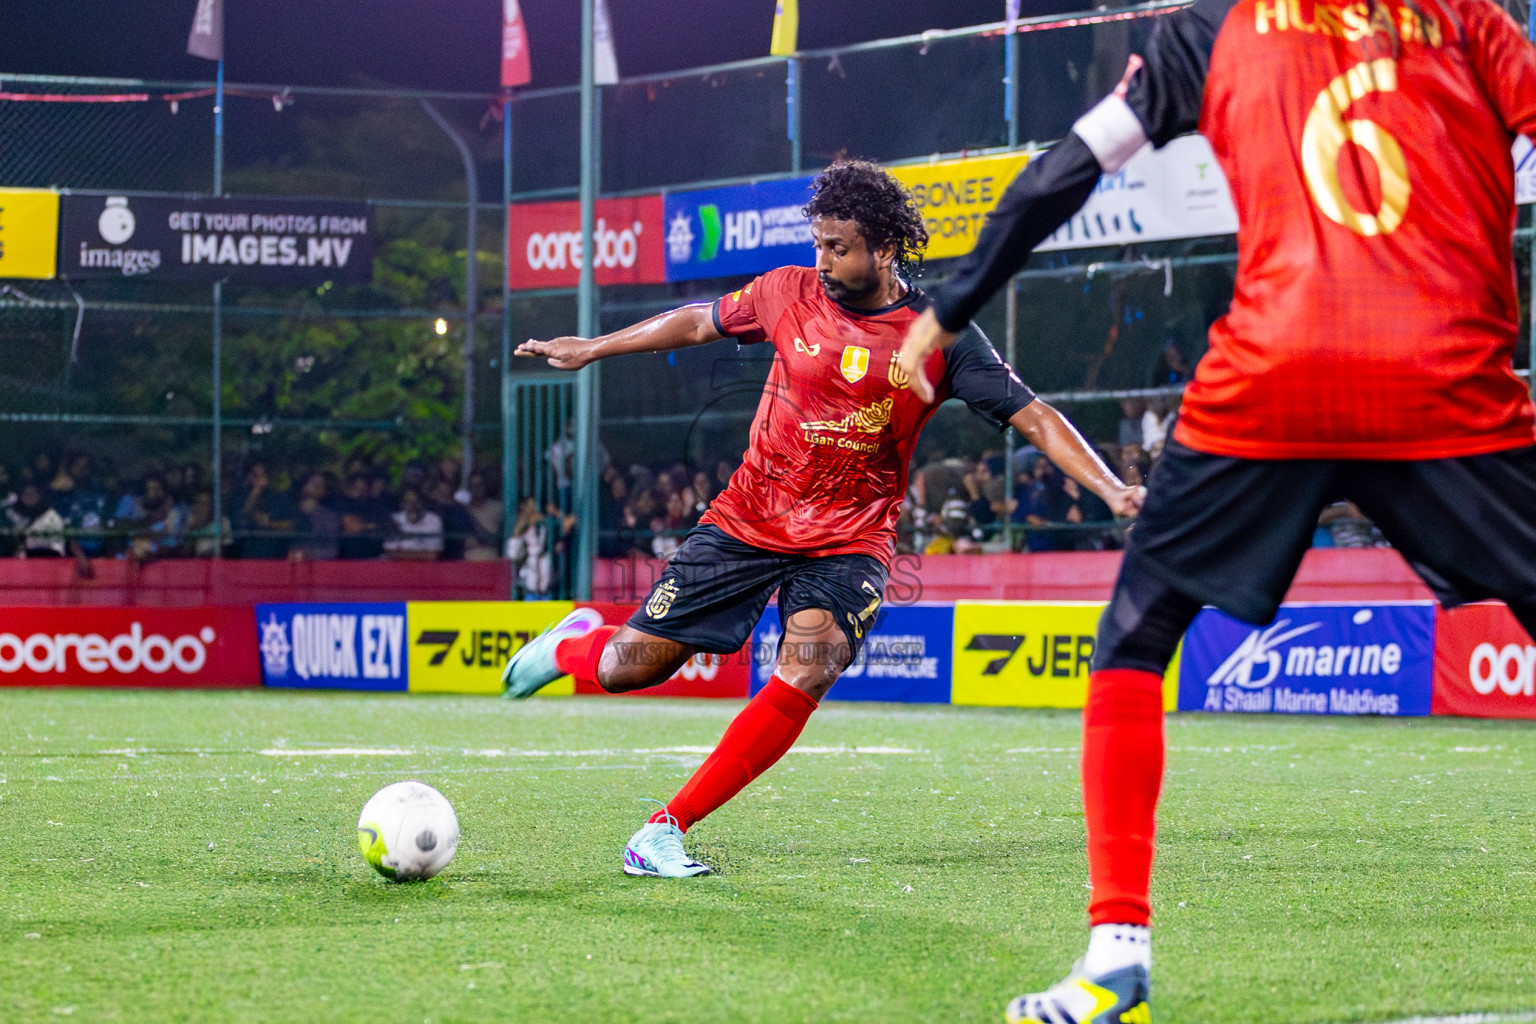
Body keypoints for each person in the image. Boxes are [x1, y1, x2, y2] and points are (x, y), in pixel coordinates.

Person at [896, 0, 1536, 1019]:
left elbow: (1066, 170)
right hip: (1448, 381)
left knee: (1135, 636)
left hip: (1273, 379)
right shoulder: (1473, 22)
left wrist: (953, 302)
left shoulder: (1209, 32)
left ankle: (1116, 956)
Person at [504, 159, 1144, 880]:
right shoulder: (787, 292)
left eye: (839, 247)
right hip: (750, 516)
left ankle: (664, 828)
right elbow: (696, 321)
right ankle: (570, 648)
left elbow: (1034, 415)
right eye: (819, 243)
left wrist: (1113, 489)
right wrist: (594, 348)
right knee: (627, 670)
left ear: (885, 248)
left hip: (851, 537)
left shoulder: (940, 336)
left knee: (809, 667)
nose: (824, 260)